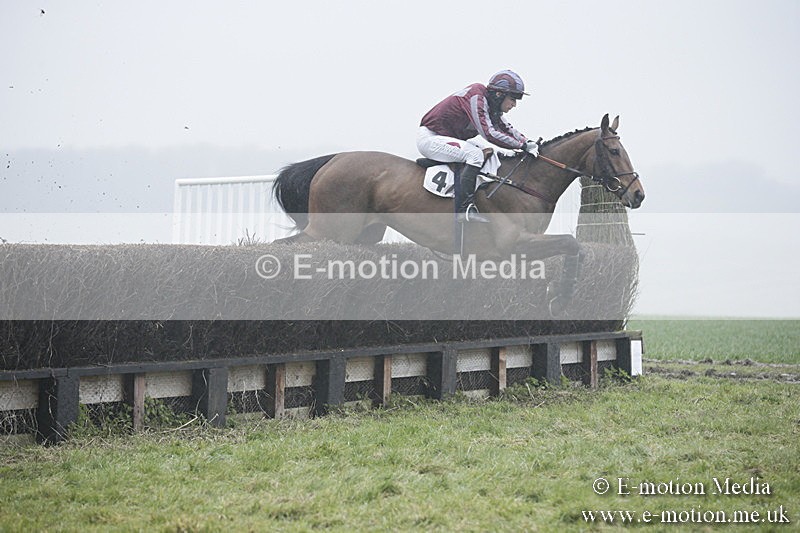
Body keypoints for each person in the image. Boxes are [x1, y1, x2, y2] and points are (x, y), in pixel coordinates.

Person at [417, 70, 540, 223]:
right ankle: (464, 209)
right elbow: (489, 133)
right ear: (499, 94)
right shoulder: (477, 96)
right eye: (513, 98)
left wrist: (527, 141)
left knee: (489, 154)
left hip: (445, 138)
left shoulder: (490, 105)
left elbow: (505, 127)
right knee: (475, 155)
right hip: (431, 138)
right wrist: (522, 146)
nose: (514, 104)